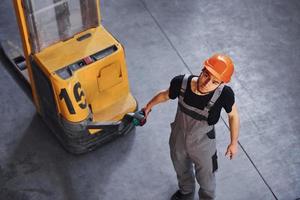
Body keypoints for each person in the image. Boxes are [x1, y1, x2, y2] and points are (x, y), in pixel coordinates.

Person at [143, 54, 240, 200]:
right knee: (181, 169)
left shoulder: (224, 95)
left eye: (214, 82)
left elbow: (233, 116)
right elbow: (165, 95)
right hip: (178, 138)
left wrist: (233, 142)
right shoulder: (181, 82)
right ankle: (186, 193)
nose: (207, 83)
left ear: (221, 83)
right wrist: (148, 107)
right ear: (202, 70)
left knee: (206, 178)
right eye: (206, 75)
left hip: (203, 144)